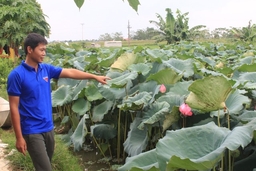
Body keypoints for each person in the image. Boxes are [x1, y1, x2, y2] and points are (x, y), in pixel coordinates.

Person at [7, 33, 110, 171]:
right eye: (41, 50)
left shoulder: (46, 69)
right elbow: (14, 107)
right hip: (31, 130)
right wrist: (19, 138)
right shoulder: (17, 75)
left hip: (48, 128)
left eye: (45, 50)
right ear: (29, 50)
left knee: (44, 166)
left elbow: (70, 72)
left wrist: (94, 76)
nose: (44, 53)